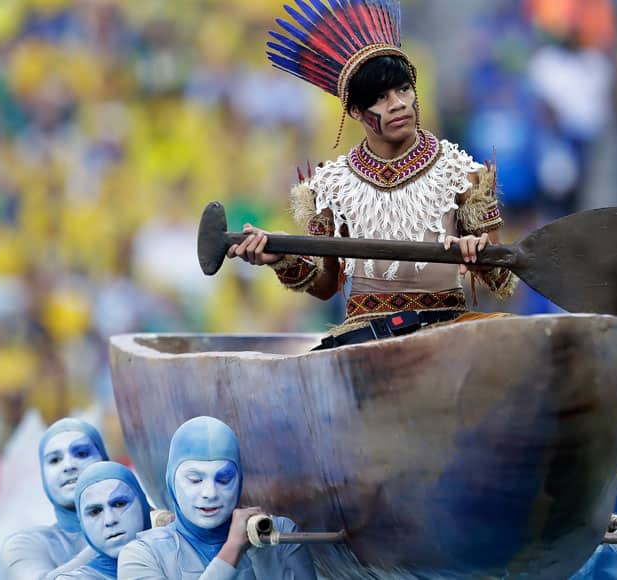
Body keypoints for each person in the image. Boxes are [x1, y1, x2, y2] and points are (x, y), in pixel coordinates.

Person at [228, 0, 516, 348]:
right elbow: (324, 286)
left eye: (404, 89)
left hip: (448, 339)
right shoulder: (329, 187)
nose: (398, 104)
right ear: (354, 111)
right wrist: (281, 259)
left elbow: (502, 280)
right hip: (365, 343)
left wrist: (479, 252)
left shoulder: (463, 175)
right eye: (380, 97)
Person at [117, 416, 316, 579]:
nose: (210, 493)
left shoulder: (279, 534)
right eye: (195, 480)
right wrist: (232, 548)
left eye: (224, 479)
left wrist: (260, 552)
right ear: (171, 482)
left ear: (239, 481)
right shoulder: (142, 555)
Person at [0, 418, 110, 580]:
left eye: (82, 453)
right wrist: (108, 544)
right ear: (43, 476)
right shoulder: (23, 546)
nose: (68, 465)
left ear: (106, 462)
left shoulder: (147, 527)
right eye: (55, 460)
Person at [53, 461, 152, 579]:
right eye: (95, 512)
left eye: (119, 504)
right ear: (82, 523)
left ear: (143, 504)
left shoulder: (176, 553)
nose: (110, 520)